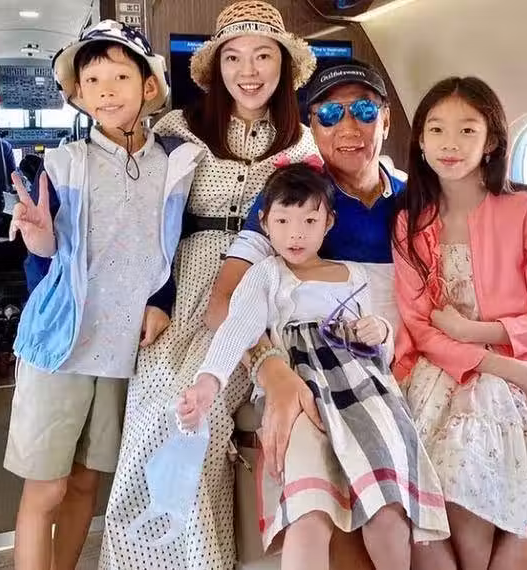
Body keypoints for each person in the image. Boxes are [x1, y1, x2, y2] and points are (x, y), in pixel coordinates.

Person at [210, 63, 527, 569]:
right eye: (330, 114)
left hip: (416, 361)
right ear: (311, 125)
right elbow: (224, 304)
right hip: (365, 372)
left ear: (387, 120)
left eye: (365, 111)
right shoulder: (296, 199)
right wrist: (273, 372)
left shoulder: (416, 198)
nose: (349, 126)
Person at [99, 3, 318, 569]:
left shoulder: (303, 145)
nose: (249, 71)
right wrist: (155, 298)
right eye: (234, 58)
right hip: (184, 285)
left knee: (204, 416)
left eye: (263, 56)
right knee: (154, 415)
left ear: (284, 66)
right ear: (216, 68)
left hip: (260, 292)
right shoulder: (177, 130)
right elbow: (145, 220)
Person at [3, 20, 203, 570]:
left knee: (87, 484)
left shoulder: (177, 163)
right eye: (92, 80)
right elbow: (47, 260)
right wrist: (40, 240)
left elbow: (177, 246)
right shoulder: (64, 163)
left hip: (122, 352)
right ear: (78, 93)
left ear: (148, 85)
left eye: (120, 76)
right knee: (46, 488)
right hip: (60, 347)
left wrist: (162, 300)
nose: (107, 91)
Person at [179, 163, 449, 570]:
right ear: (264, 223)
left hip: (364, 389)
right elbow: (236, 330)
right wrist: (207, 382)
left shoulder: (355, 275)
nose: (296, 234)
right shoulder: (266, 276)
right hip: (302, 390)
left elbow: (387, 339)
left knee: (387, 508)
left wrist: (380, 331)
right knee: (309, 511)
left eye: (309, 221)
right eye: (283, 221)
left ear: (329, 223)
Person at [392, 76, 527, 570]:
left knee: (473, 451)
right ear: (420, 141)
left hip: (519, 368)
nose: (450, 144)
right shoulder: (411, 221)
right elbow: (421, 328)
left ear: (492, 141)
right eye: (436, 130)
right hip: (442, 369)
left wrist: (477, 333)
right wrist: (491, 361)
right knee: (455, 459)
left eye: (467, 130)